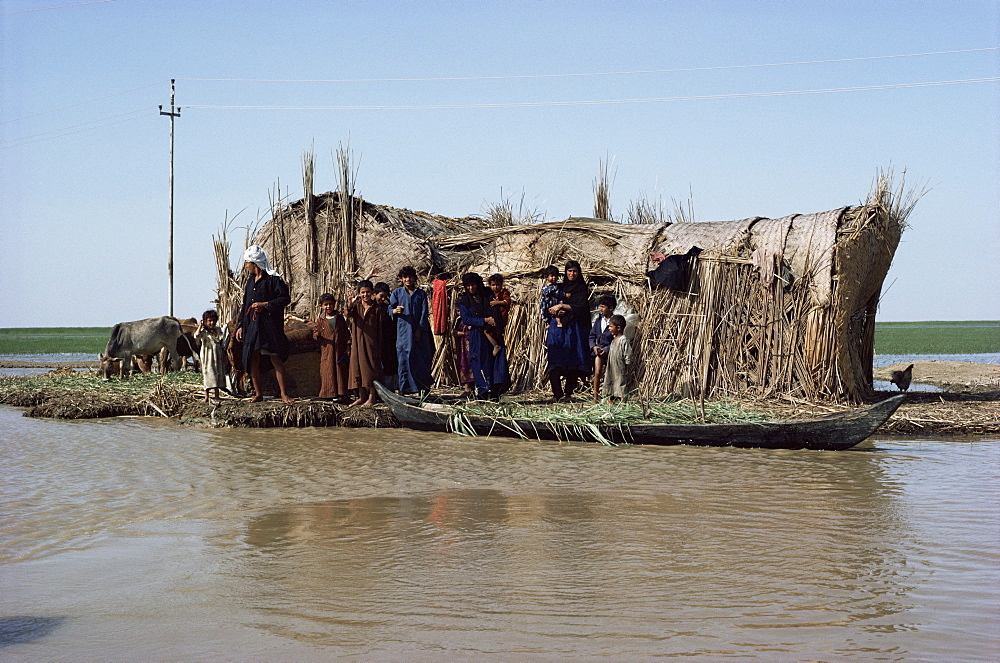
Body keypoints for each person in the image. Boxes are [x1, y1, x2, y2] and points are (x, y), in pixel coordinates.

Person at [235, 245, 293, 403]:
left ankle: (284, 394)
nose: (246, 266)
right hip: (252, 325)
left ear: (255, 264)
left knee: (275, 357)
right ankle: (258, 393)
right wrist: (240, 325)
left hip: (269, 326)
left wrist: (265, 305)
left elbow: (284, 299)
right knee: (253, 357)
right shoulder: (250, 282)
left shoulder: (273, 280)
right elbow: (244, 305)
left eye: (248, 263)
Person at [458, 272, 511, 399]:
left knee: (495, 362)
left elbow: (496, 311)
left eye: (473, 285)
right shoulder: (465, 301)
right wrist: (484, 321)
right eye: (468, 286)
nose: (471, 288)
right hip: (477, 335)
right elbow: (467, 319)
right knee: (479, 363)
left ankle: (495, 393)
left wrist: (493, 323)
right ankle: (482, 393)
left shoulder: (487, 294)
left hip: (492, 332)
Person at [545, 259, 591, 401]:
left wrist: (563, 306)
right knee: (555, 358)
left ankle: (568, 394)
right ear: (565, 272)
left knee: (573, 359)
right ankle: (556, 393)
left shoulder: (581, 288)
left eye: (575, 271)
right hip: (558, 329)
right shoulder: (559, 287)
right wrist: (555, 311)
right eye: (569, 271)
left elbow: (581, 306)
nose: (572, 274)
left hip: (574, 328)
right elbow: (547, 304)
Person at [389, 265, 433, 396]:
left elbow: (424, 313)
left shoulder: (421, 294)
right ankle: (403, 389)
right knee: (404, 359)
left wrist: (420, 329)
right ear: (401, 279)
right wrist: (395, 311)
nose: (408, 279)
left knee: (422, 359)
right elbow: (389, 309)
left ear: (414, 278)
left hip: (419, 333)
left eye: (410, 277)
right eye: (405, 277)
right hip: (403, 333)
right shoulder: (397, 293)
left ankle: (423, 389)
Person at [345, 280, 385, 407]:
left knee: (371, 367)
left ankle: (372, 397)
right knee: (356, 368)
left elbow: (379, 327)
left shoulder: (376, 308)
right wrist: (349, 304)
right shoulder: (356, 306)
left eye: (368, 292)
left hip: (371, 343)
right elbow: (348, 314)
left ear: (372, 293)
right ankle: (362, 397)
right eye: (362, 292)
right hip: (357, 342)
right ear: (359, 293)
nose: (365, 295)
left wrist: (378, 345)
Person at [312, 293, 350, 402]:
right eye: (326, 305)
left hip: (340, 349)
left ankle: (342, 394)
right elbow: (315, 333)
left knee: (340, 371)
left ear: (334, 305)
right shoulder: (320, 320)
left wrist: (348, 347)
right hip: (327, 350)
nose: (328, 307)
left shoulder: (339, 318)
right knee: (327, 371)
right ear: (321, 306)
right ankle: (327, 394)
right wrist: (317, 335)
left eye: (330, 304)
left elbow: (346, 333)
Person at [195, 309, 229, 403]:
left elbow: (222, 341)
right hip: (208, 357)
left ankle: (217, 396)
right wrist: (200, 326)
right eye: (209, 321)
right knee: (208, 374)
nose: (212, 323)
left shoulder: (218, 330)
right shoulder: (204, 332)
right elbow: (196, 336)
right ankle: (206, 396)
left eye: (213, 320)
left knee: (217, 374)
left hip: (218, 356)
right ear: (205, 321)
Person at [589, 294, 617, 402]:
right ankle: (595, 396)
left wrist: (607, 349)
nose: (600, 309)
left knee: (611, 373)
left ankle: (610, 397)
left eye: (603, 307)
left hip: (610, 351)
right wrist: (593, 346)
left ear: (610, 308)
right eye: (600, 306)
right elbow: (592, 336)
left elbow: (616, 339)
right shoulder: (598, 321)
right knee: (597, 372)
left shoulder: (615, 322)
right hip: (598, 350)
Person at [373, 282, 398, 392]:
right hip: (374, 342)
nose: (383, 299)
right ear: (374, 294)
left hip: (387, 342)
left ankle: (388, 390)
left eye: (385, 296)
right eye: (381, 296)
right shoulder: (369, 308)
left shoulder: (387, 308)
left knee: (389, 365)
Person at [602, 314, 632, 400]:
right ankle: (610, 400)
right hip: (611, 365)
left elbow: (627, 353)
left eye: (611, 326)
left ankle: (622, 401)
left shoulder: (623, 340)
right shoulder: (613, 340)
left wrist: (627, 363)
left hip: (619, 366)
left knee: (620, 382)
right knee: (609, 380)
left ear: (618, 328)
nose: (609, 328)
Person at [483, 273, 511, 357]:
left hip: (501, 317)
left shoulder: (503, 293)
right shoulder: (488, 294)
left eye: (497, 285)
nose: (495, 287)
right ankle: (495, 345)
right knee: (488, 331)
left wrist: (497, 302)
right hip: (492, 317)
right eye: (493, 285)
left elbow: (507, 301)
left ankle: (497, 346)